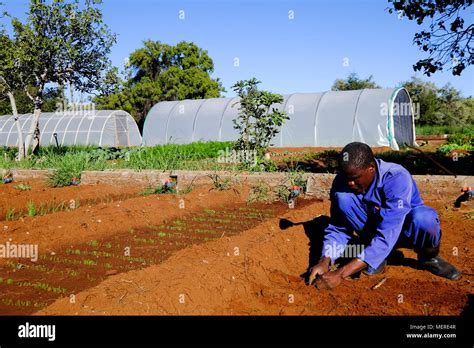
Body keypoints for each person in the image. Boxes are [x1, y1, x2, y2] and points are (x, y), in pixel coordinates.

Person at [308, 142, 461, 289]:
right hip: (373, 234)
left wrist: (341, 274)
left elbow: (388, 232)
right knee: (344, 198)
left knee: (424, 219)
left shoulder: (396, 177)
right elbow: (339, 228)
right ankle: (375, 255)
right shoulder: (343, 181)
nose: (350, 184)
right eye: (346, 178)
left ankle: (429, 258)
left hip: (404, 231)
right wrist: (325, 260)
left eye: (355, 178)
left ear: (371, 168)